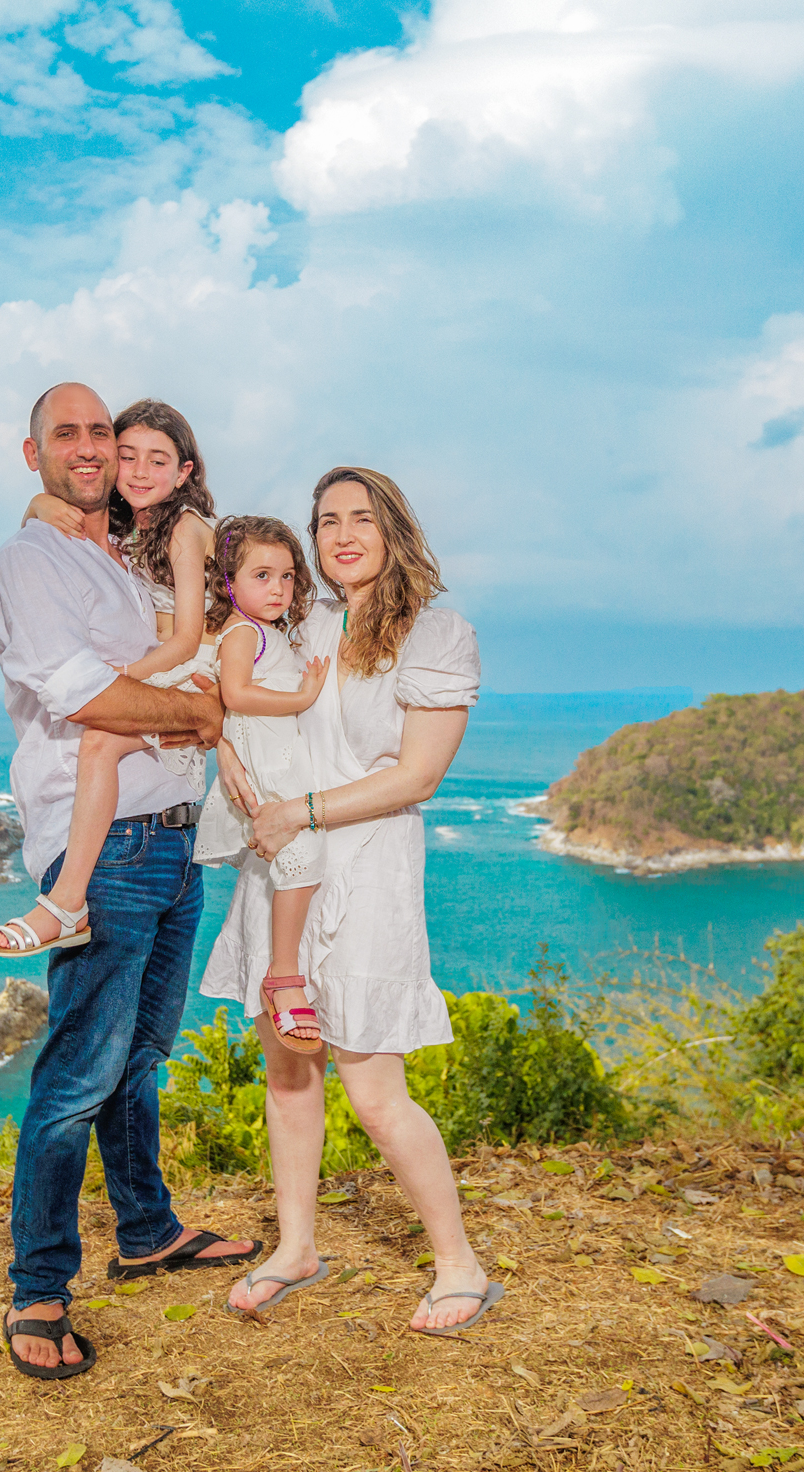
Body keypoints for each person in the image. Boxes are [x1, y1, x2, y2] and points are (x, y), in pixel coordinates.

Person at [0, 381, 260, 1381]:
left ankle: (145, 1228)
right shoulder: (31, 561)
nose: (93, 449)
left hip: (171, 839)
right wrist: (193, 714)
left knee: (140, 1055)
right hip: (102, 844)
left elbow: (195, 668)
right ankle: (40, 1285)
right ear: (35, 454)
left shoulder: (133, 558)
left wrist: (198, 709)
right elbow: (91, 697)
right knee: (77, 1075)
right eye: (72, 434)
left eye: (104, 433)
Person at [203, 466, 502, 1335]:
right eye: (326, 520)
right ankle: (296, 1248)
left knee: (374, 1088)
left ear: (393, 529)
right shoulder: (302, 623)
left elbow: (419, 775)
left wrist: (301, 809)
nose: (341, 535)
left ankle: (460, 1263)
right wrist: (226, 750)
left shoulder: (435, 634)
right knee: (290, 1071)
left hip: (365, 864)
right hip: (283, 864)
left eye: (360, 519)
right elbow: (238, 694)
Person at [0, 400, 217, 957]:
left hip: (175, 807)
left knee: (144, 1042)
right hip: (123, 838)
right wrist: (38, 504)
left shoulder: (167, 532)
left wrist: (131, 676)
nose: (137, 470)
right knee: (95, 1044)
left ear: (184, 472)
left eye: (156, 460)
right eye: (128, 454)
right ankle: (65, 904)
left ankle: (65, 904)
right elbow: (81, 693)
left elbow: (185, 639)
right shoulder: (93, 538)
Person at [191, 516, 331, 1053]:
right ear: (229, 582)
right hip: (268, 769)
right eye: (262, 575)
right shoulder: (244, 631)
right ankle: (284, 973)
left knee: (301, 861)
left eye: (288, 577)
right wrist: (302, 697)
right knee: (302, 856)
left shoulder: (268, 632)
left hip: (281, 762)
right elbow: (238, 694)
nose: (278, 588)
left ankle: (283, 968)